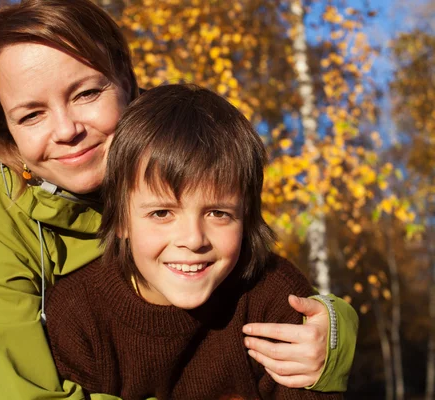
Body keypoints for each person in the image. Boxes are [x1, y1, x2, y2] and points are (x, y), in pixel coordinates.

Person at [0, 1, 358, 399]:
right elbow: (20, 392)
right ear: (6, 129)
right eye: (32, 114)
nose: (67, 129)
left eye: (87, 93)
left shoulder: (163, 151)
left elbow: (251, 265)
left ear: (125, 82)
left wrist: (333, 331)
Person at [45, 83, 346, 400]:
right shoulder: (77, 314)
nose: (192, 240)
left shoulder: (274, 300)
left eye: (218, 213)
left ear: (246, 217)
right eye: (162, 213)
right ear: (120, 220)